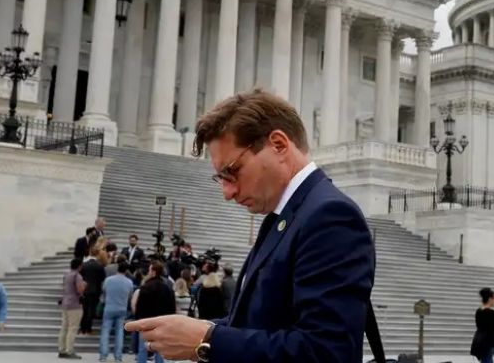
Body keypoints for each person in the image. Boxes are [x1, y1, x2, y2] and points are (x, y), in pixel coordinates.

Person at [126, 89, 379, 362]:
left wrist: (207, 341)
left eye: (232, 171)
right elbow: (258, 323)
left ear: (279, 145)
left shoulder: (330, 216)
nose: (227, 192)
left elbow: (327, 352)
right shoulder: (286, 215)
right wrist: (198, 330)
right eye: (220, 178)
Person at [132, 261, 176, 363]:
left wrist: (138, 319)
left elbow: (140, 306)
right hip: (161, 321)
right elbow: (171, 306)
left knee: (143, 348)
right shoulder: (167, 288)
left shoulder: (146, 287)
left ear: (153, 272)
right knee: (159, 349)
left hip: (146, 321)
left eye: (149, 270)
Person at [100, 261, 134, 362]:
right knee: (119, 332)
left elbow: (104, 291)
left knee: (105, 331)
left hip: (109, 307)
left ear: (117, 268)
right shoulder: (129, 282)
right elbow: (130, 296)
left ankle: (103, 355)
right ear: (126, 270)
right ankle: (118, 356)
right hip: (122, 308)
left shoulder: (108, 280)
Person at [58, 258, 86, 359]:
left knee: (64, 327)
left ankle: (61, 349)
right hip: (74, 304)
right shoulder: (77, 276)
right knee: (72, 328)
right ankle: (69, 350)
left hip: (65, 302)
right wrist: (84, 286)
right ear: (79, 266)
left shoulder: (66, 275)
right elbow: (80, 290)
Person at [469, 287, 494, 363]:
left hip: (479, 342)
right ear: (490, 299)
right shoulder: (491, 312)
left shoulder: (478, 311)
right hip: (488, 343)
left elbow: (480, 326)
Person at [79, 248, 106, 334]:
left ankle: (82, 328)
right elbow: (103, 278)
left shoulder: (84, 265)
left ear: (90, 253)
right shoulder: (99, 266)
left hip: (84, 289)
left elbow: (80, 277)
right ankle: (88, 329)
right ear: (97, 255)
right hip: (95, 290)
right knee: (91, 309)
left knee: (84, 309)